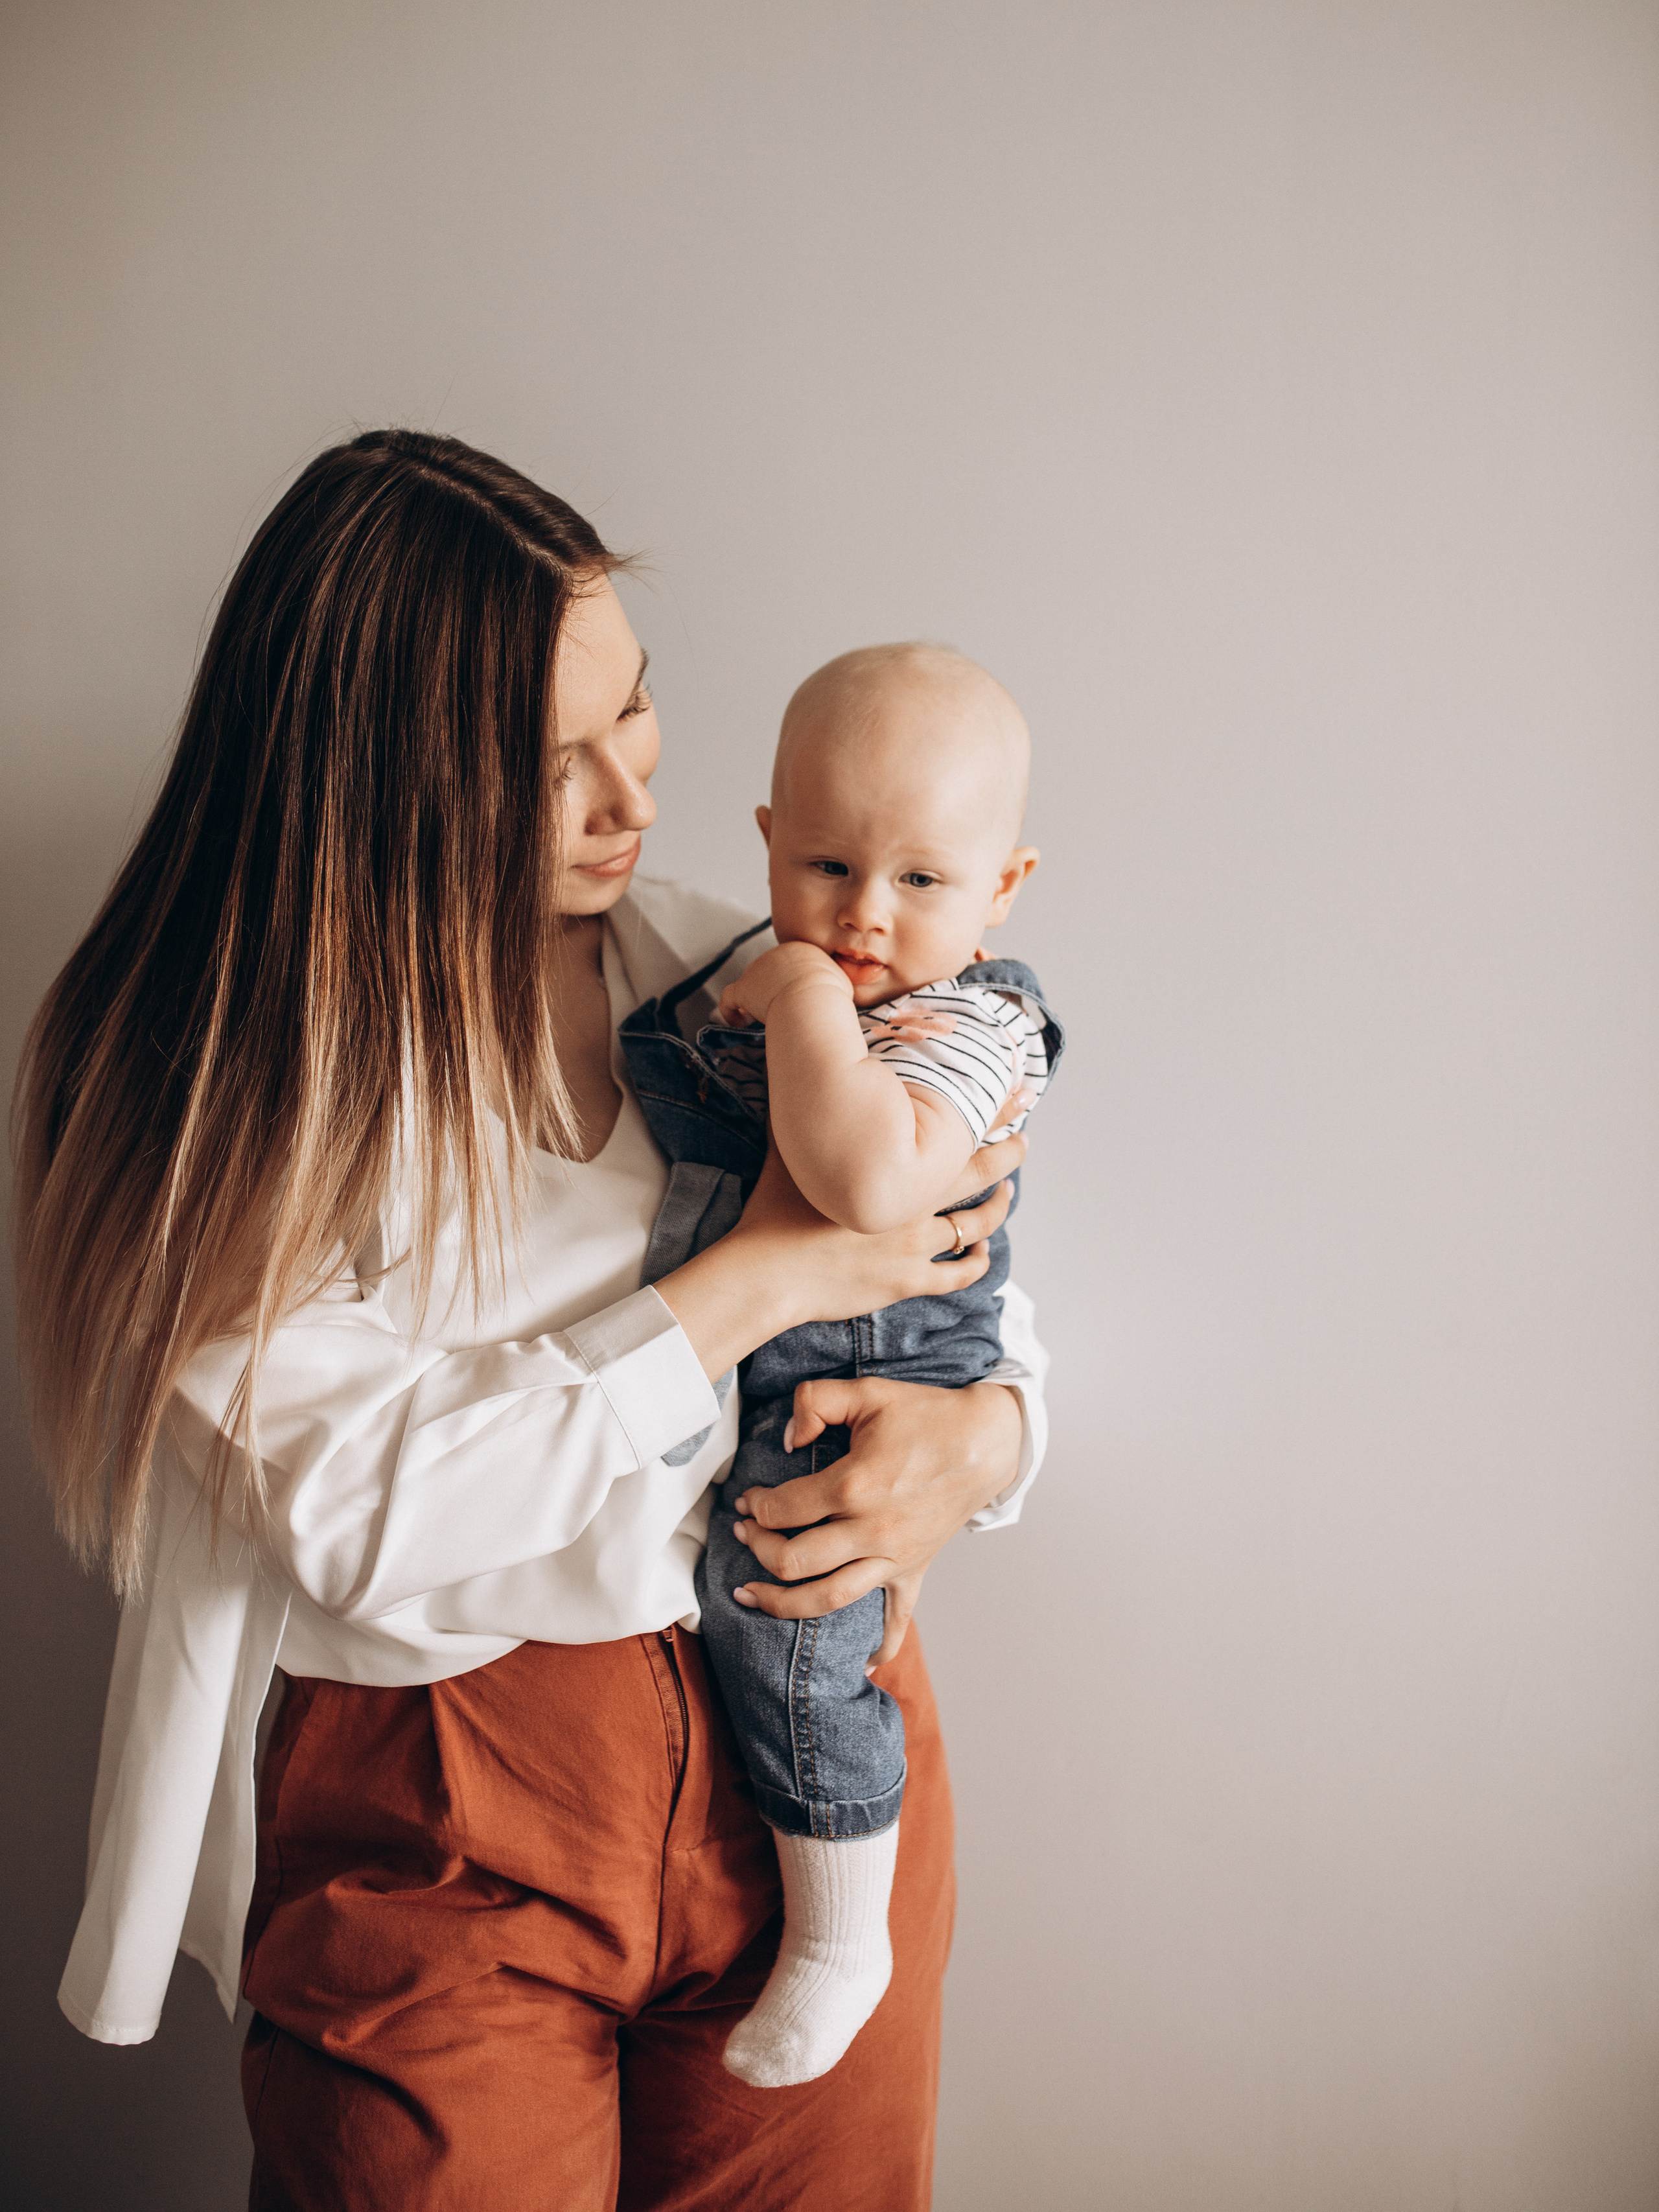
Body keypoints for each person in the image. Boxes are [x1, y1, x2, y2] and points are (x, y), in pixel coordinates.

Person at [13, 430, 1048, 2211]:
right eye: (538, 760)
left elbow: (976, 1265)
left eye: (632, 711)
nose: (624, 795)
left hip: (813, 1771)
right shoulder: (218, 1090)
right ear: (362, 776)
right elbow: (372, 1516)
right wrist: (761, 1282)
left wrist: (995, 1435)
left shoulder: (737, 971)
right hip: (443, 1802)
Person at [618, 643, 1062, 2089]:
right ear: (764, 839)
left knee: (787, 1631)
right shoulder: (719, 961)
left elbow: (870, 1181)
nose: (865, 916)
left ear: (1000, 890)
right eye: (825, 865)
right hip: (756, 1356)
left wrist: (801, 996)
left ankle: (836, 1933)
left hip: (865, 1367)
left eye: (921, 882)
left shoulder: (965, 1023)